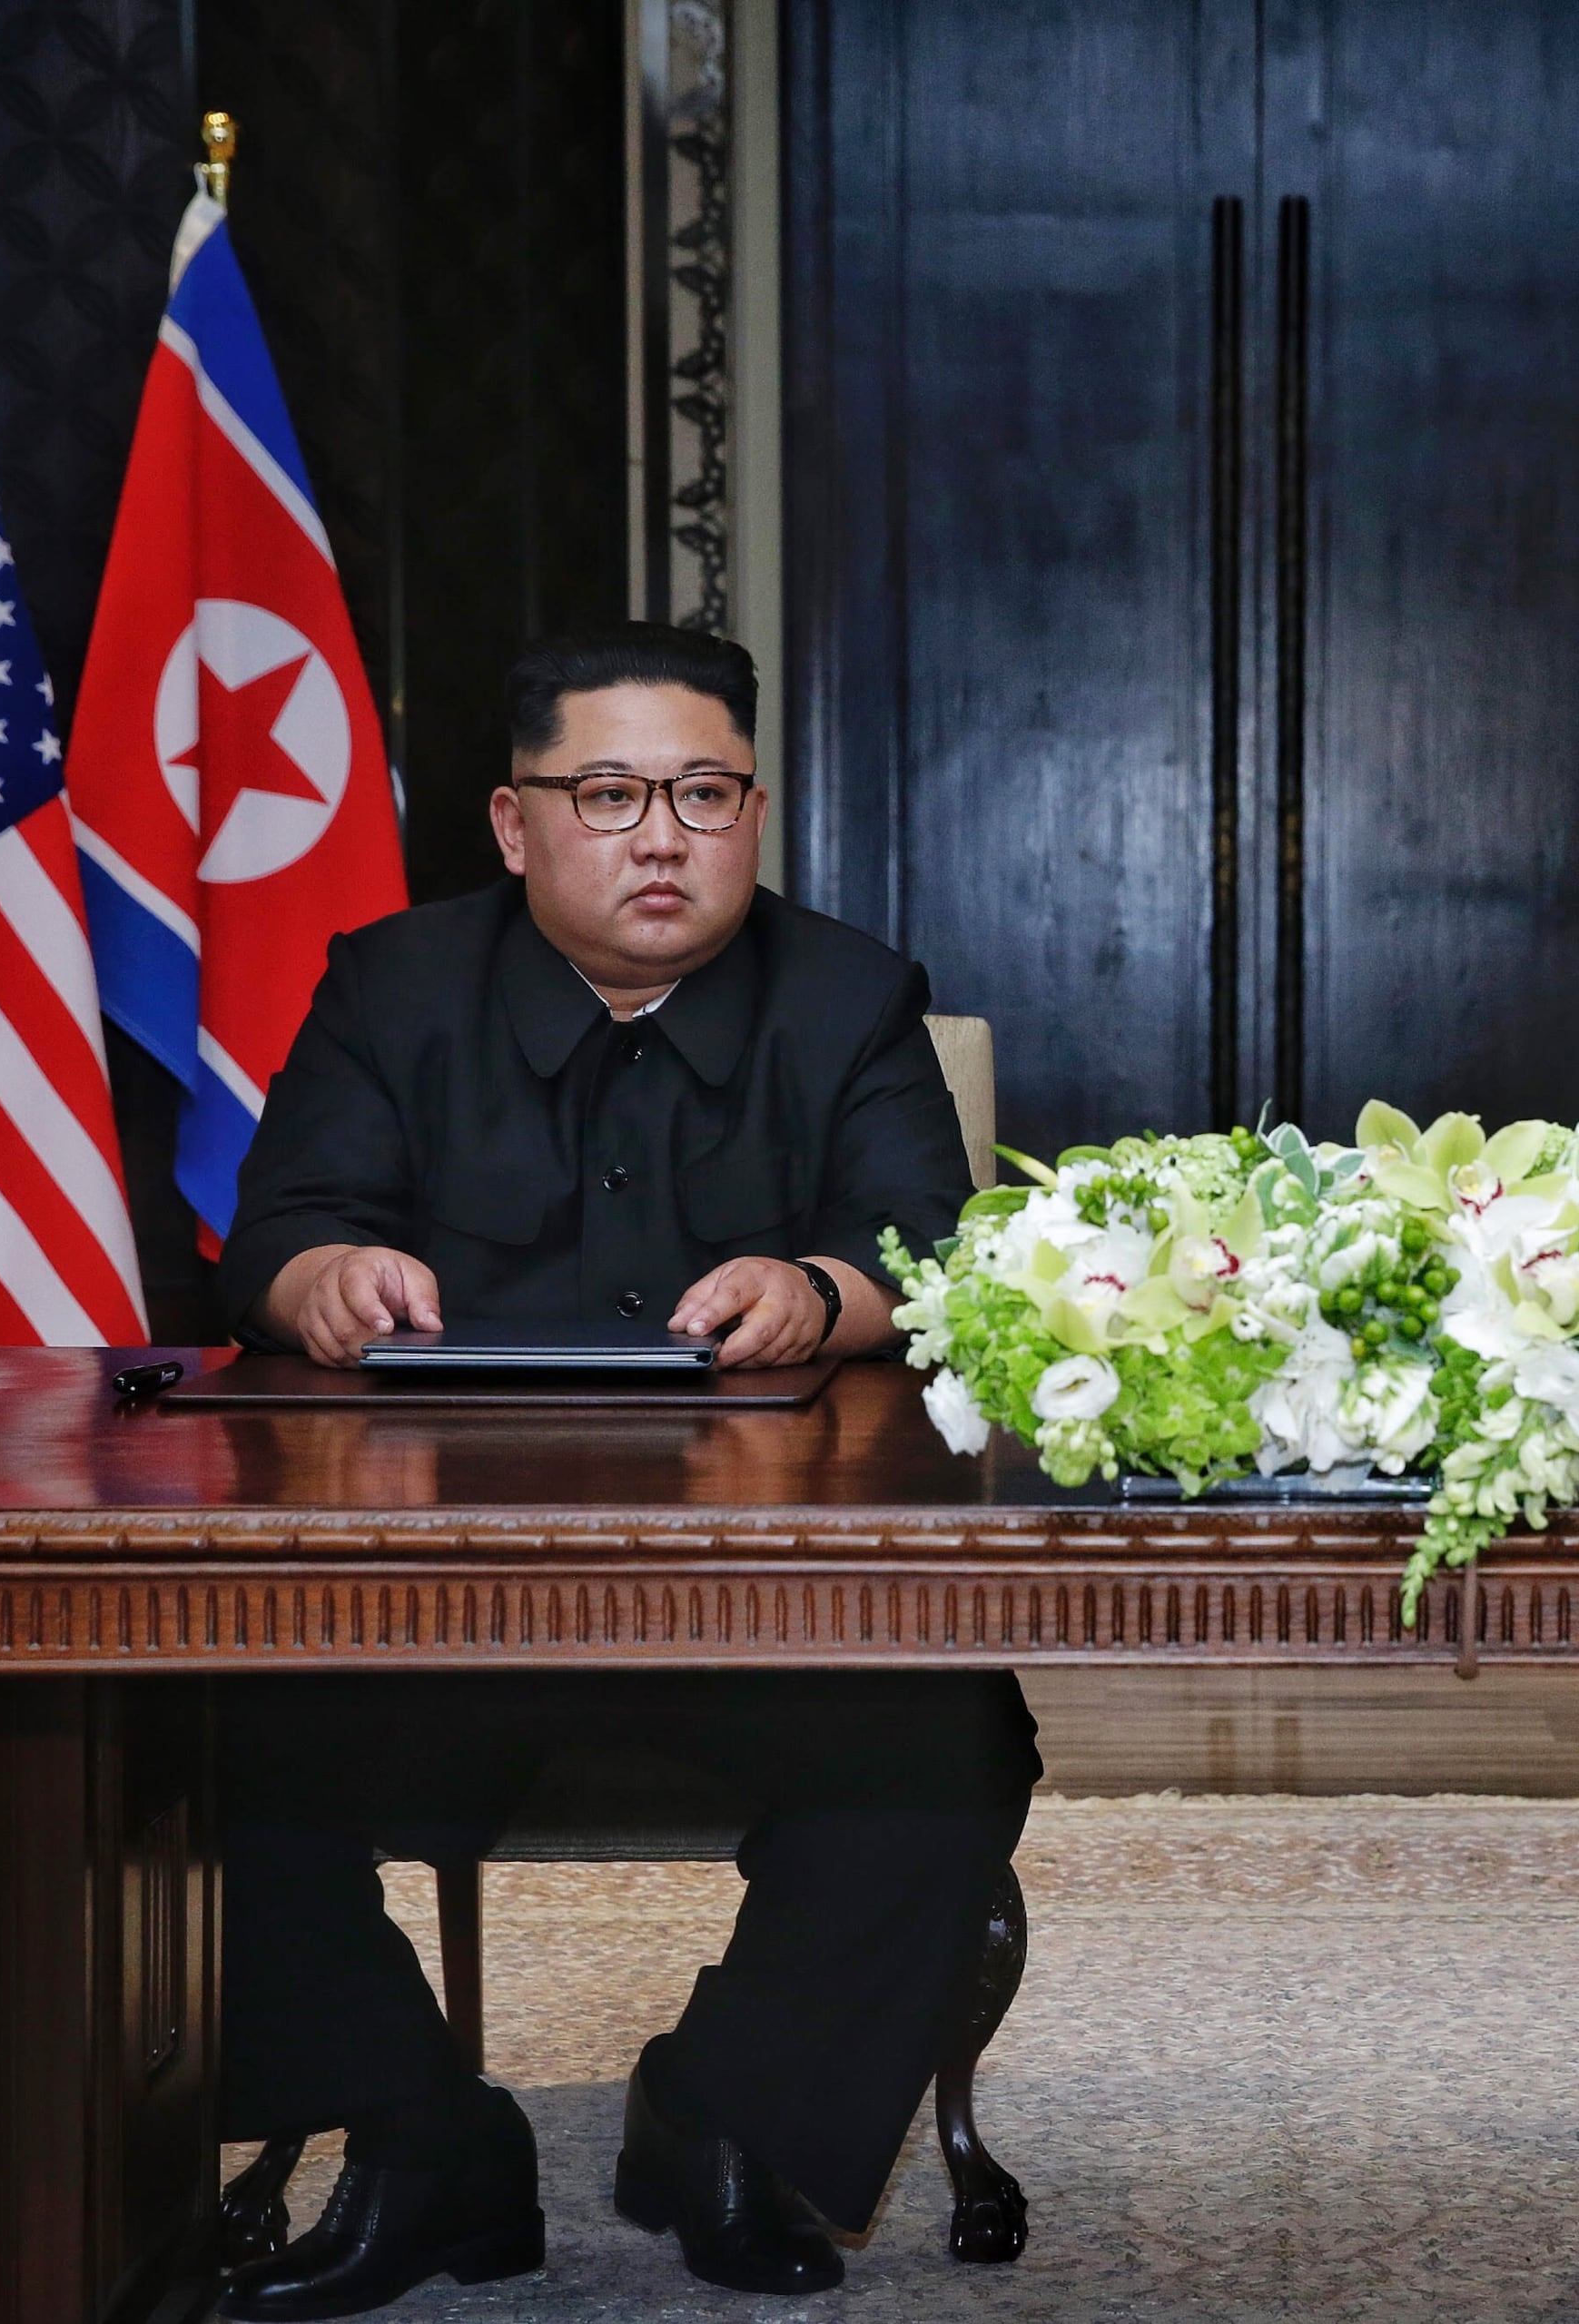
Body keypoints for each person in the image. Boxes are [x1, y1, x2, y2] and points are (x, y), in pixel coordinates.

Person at [210, 624, 1036, 2317]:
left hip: (764, 1596)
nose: (662, 835)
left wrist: (820, 1296)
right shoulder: (391, 982)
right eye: (608, 793)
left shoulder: (850, 992)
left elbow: (938, 1260)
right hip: (429, 1595)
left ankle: (720, 2116)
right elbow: (279, 1240)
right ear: (516, 825)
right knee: (167, 1732)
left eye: (704, 793)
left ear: (750, 809)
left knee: (950, 1742)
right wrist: (327, 1284)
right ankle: (420, 2130)